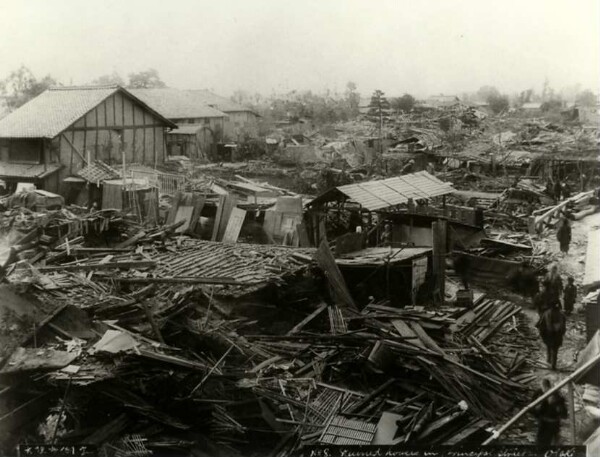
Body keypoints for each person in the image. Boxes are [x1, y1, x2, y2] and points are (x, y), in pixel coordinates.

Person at [531, 377, 568, 446]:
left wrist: (558, 408)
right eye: (542, 387)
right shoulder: (539, 393)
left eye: (544, 387)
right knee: (541, 441)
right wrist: (537, 410)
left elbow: (564, 414)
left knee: (552, 442)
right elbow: (532, 407)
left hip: (553, 423)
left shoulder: (557, 396)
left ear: (547, 386)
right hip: (544, 423)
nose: (543, 389)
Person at [537, 302, 567, 370]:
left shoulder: (547, 313)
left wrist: (542, 333)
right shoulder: (561, 314)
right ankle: (553, 364)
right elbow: (563, 326)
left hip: (549, 334)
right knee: (554, 349)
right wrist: (561, 332)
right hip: (556, 335)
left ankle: (549, 361)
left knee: (549, 346)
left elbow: (541, 324)